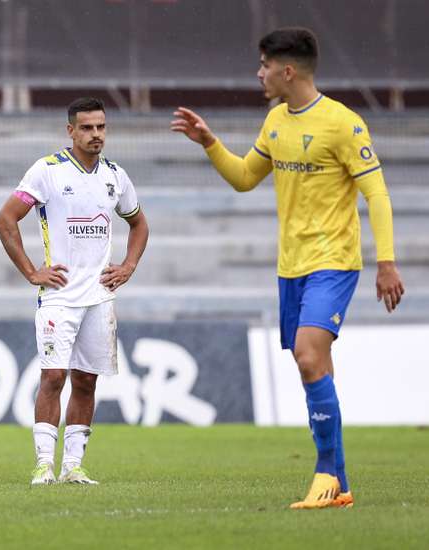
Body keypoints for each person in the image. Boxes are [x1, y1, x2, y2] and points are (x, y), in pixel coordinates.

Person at [171, 27, 404, 509]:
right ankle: (340, 483)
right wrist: (210, 142)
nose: (259, 74)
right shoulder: (276, 120)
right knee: (314, 368)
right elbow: (243, 178)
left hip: (333, 263)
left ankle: (323, 473)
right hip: (291, 267)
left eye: (264, 65)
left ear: (287, 70)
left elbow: (376, 193)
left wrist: (386, 262)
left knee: (307, 356)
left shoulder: (343, 123)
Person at [0, 97, 149, 485]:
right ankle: (44, 464)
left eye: (101, 127)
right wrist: (32, 271)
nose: (96, 135)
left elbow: (139, 224)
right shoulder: (47, 171)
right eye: (87, 128)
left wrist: (128, 266)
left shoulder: (116, 176)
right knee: (53, 377)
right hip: (59, 296)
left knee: (86, 381)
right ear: (70, 131)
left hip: (99, 296)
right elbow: (5, 220)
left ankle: (73, 466)